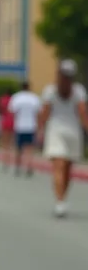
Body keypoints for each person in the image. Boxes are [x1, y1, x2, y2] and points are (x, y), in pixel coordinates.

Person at [39, 59, 88, 218]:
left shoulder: (78, 91)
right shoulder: (50, 91)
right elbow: (45, 113)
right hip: (56, 131)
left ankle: (62, 198)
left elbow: (82, 113)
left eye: (68, 76)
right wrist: (40, 129)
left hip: (73, 132)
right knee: (59, 166)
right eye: (63, 75)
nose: (65, 79)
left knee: (67, 170)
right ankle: (60, 202)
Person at [8, 81, 41, 177]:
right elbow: (38, 113)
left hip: (20, 126)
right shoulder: (34, 98)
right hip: (31, 126)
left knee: (18, 148)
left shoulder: (17, 98)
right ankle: (29, 166)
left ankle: (18, 166)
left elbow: (12, 111)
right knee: (29, 148)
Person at [0, 89, 14, 170]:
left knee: (4, 143)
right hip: (12, 121)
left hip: (5, 121)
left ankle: (5, 161)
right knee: (10, 142)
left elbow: (1, 109)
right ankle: (9, 159)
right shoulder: (14, 100)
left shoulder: (3, 99)